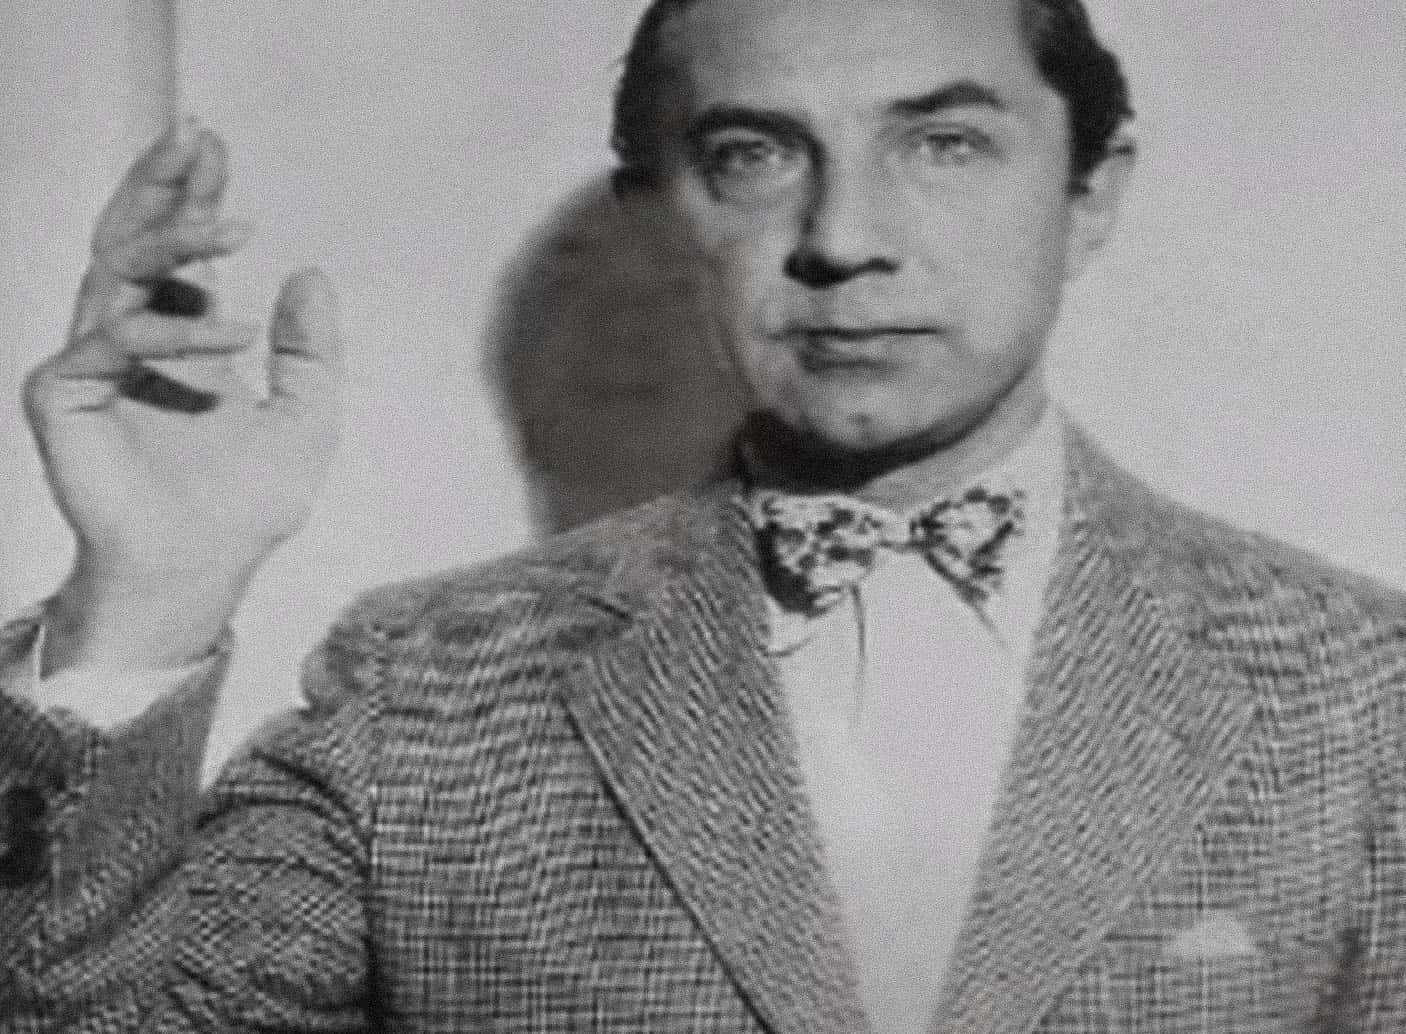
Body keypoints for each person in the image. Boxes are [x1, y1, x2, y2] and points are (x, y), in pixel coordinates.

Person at [3, 0, 1405, 1030]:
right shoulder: (422, 687)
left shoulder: (1361, 688)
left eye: (944, 143)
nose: (845, 237)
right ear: (663, 215)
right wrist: (144, 600)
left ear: (1089, 191)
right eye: (754, 153)